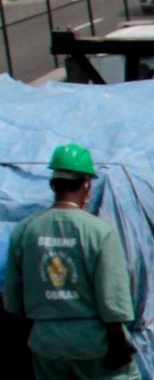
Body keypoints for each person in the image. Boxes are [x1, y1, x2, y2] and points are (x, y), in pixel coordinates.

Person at [4, 143, 140, 380]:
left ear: (53, 185)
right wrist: (119, 341)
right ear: (86, 185)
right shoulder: (100, 233)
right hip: (94, 345)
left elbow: (14, 301)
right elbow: (113, 300)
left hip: (47, 347)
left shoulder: (24, 232)